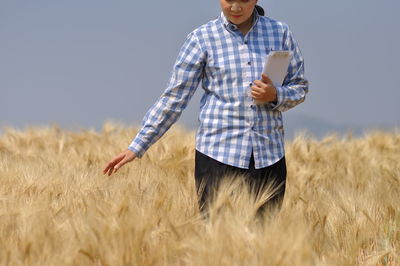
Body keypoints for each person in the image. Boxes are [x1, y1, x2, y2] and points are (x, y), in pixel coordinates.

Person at [103, 0, 309, 218]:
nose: (236, 7)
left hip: (269, 157)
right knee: (217, 245)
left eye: (244, 0)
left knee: (266, 244)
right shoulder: (201, 39)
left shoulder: (280, 33)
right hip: (217, 157)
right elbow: (174, 97)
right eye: (229, 0)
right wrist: (137, 146)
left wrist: (275, 95)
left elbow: (300, 87)